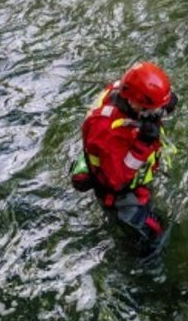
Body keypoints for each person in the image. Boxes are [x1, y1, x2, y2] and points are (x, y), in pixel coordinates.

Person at [71, 61, 178, 245]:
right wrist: (143, 144)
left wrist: (166, 104)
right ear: (135, 103)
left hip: (130, 173)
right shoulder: (109, 130)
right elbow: (116, 180)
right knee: (153, 238)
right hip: (120, 193)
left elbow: (153, 101)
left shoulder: (126, 90)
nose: (158, 113)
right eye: (154, 109)